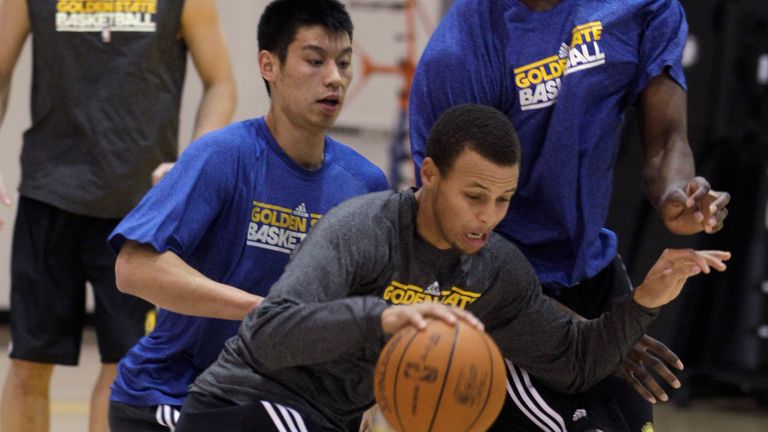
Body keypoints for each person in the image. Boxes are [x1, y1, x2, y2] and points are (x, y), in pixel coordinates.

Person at [173, 104, 729, 432]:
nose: (487, 217)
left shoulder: (494, 270)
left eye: (503, 200)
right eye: (474, 195)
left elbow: (575, 360)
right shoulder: (360, 230)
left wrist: (647, 300)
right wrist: (379, 318)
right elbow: (267, 332)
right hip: (241, 406)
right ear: (431, 174)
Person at [408, 0, 731, 430]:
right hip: (504, 290)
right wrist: (594, 337)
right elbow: (450, 237)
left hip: (592, 268)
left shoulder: (639, 8)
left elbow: (667, 136)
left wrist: (677, 190)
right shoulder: (460, 54)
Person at [104, 1, 389, 430]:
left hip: (285, 400)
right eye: (314, 61)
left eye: (344, 63)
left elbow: (366, 306)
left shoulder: (365, 186)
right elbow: (132, 267)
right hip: (176, 393)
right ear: (269, 65)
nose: (334, 77)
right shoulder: (223, 155)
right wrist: (266, 312)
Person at [0, 0, 236, 430]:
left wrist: (193, 168)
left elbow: (220, 82)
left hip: (140, 211)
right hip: (47, 197)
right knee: (28, 363)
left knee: (121, 368)